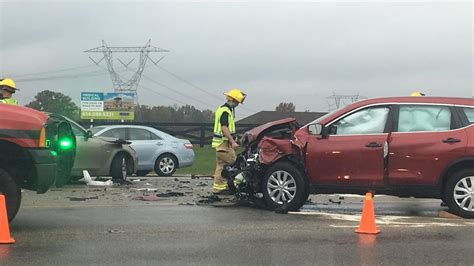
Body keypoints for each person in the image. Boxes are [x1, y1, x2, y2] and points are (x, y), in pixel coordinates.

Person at [210, 88, 246, 195]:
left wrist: (235, 137)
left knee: (221, 166)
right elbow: (224, 128)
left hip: (219, 145)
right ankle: (235, 186)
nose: (238, 105)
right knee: (234, 164)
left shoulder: (222, 109)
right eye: (237, 102)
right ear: (232, 100)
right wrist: (233, 141)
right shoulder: (225, 111)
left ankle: (218, 188)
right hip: (224, 144)